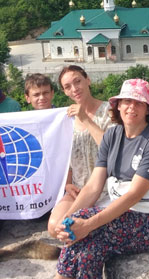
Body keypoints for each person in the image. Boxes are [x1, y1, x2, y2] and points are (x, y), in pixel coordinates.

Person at [10, 78, 149, 279]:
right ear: (117, 105)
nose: (131, 107)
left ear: (148, 109)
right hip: (122, 217)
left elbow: (134, 195)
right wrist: (68, 220)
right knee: (89, 249)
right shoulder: (112, 135)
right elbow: (94, 185)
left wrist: (87, 223)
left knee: (86, 230)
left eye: (138, 103)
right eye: (126, 101)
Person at [46, 65, 112, 236]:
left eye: (78, 82)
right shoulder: (66, 118)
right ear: (64, 92)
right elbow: (66, 157)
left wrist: (86, 119)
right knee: (55, 228)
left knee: (71, 228)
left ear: (87, 80)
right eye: (68, 86)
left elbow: (112, 149)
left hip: (106, 188)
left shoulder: (109, 111)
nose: (74, 89)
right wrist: (68, 183)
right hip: (78, 189)